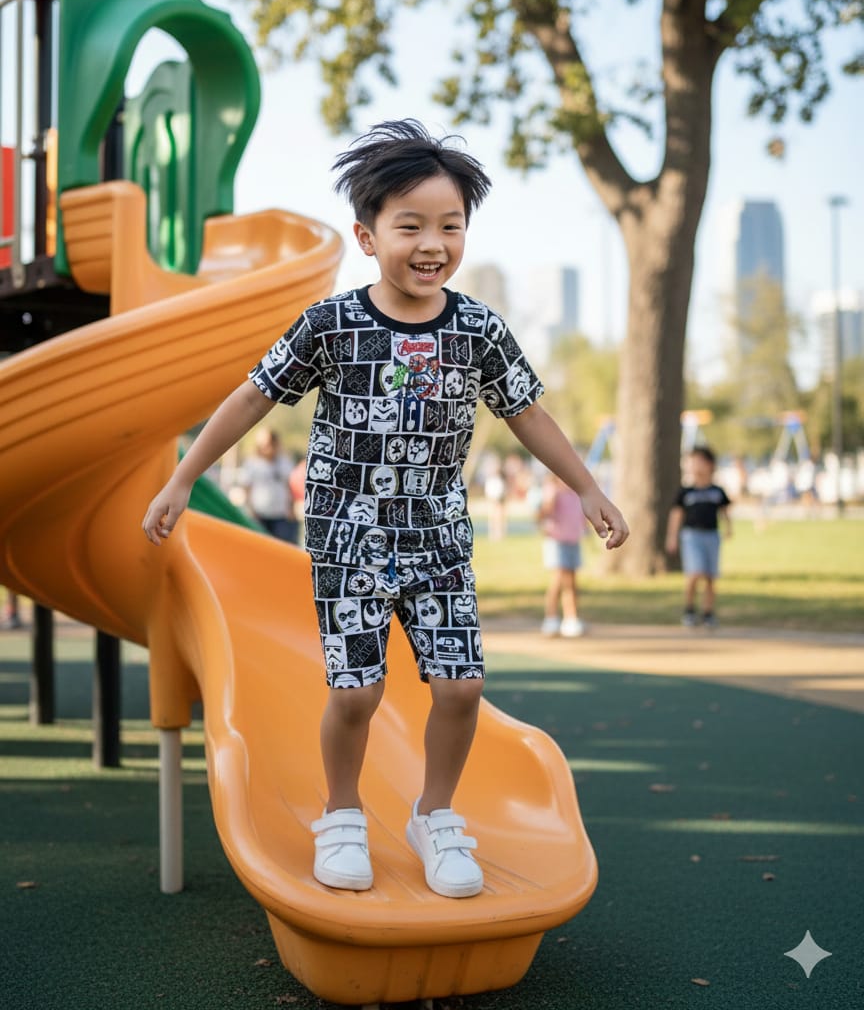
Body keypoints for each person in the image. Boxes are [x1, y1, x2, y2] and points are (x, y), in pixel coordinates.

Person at [142, 118, 629, 900]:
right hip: (349, 531)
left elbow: (528, 412)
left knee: (461, 685)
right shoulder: (332, 323)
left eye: (450, 225)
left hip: (437, 533)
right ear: (368, 237)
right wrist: (179, 478)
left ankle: (434, 814)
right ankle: (341, 813)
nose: (432, 242)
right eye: (411, 226)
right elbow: (251, 398)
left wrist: (588, 487)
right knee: (356, 692)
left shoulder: (478, 330)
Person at [665, 446, 732, 629]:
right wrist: (672, 537)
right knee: (694, 574)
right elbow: (676, 515)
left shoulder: (717, 491)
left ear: (710, 465)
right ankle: (689, 610)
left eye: (699, 461)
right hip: (691, 535)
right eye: (693, 462)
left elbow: (725, 510)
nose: (695, 466)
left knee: (710, 575)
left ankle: (708, 612)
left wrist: (728, 527)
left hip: (711, 535)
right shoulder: (686, 492)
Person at [538, 474, 587, 637]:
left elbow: (580, 516)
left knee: (571, 581)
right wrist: (550, 500)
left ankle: (571, 618)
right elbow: (544, 512)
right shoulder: (553, 491)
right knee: (558, 579)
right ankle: (551, 618)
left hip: (573, 540)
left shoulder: (576, 493)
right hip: (556, 540)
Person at [237, 427, 299, 543]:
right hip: (259, 515)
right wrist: (250, 510)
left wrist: (291, 508)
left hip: (281, 516)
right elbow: (246, 488)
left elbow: (290, 486)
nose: (266, 448)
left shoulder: (284, 462)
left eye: (269, 444)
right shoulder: (252, 464)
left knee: (282, 547)